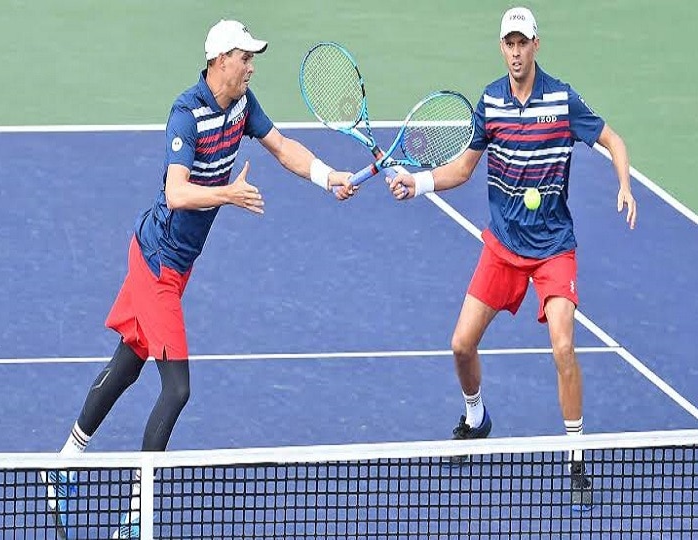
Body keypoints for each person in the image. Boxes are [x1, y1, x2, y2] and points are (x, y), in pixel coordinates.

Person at [43, 19, 356, 539]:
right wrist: (229, 194)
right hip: (157, 262)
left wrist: (329, 178)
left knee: (127, 365)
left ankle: (64, 462)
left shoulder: (243, 105)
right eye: (245, 58)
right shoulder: (185, 114)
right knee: (178, 389)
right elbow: (176, 193)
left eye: (253, 58)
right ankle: (137, 513)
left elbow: (281, 147)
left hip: (175, 264)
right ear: (219, 61)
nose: (252, 66)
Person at [388, 6, 637, 509]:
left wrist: (625, 184)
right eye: (510, 43)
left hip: (552, 249)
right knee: (460, 345)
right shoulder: (491, 102)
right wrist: (418, 184)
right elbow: (462, 168)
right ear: (502, 48)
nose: (517, 51)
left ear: (536, 46)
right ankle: (477, 417)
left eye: (524, 43)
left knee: (563, 346)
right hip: (502, 245)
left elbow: (611, 138)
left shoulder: (561, 99)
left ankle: (576, 456)